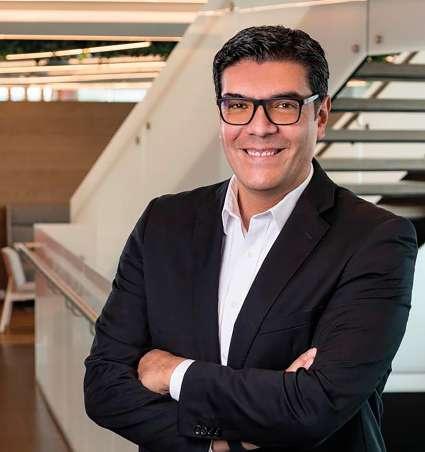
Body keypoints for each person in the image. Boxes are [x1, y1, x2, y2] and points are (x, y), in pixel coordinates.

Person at [84, 26, 417, 452]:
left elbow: (314, 407)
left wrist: (173, 373)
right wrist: (219, 444)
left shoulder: (375, 239)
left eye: (284, 106)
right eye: (238, 106)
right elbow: (104, 386)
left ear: (320, 115)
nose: (259, 128)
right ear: (221, 114)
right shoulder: (164, 222)